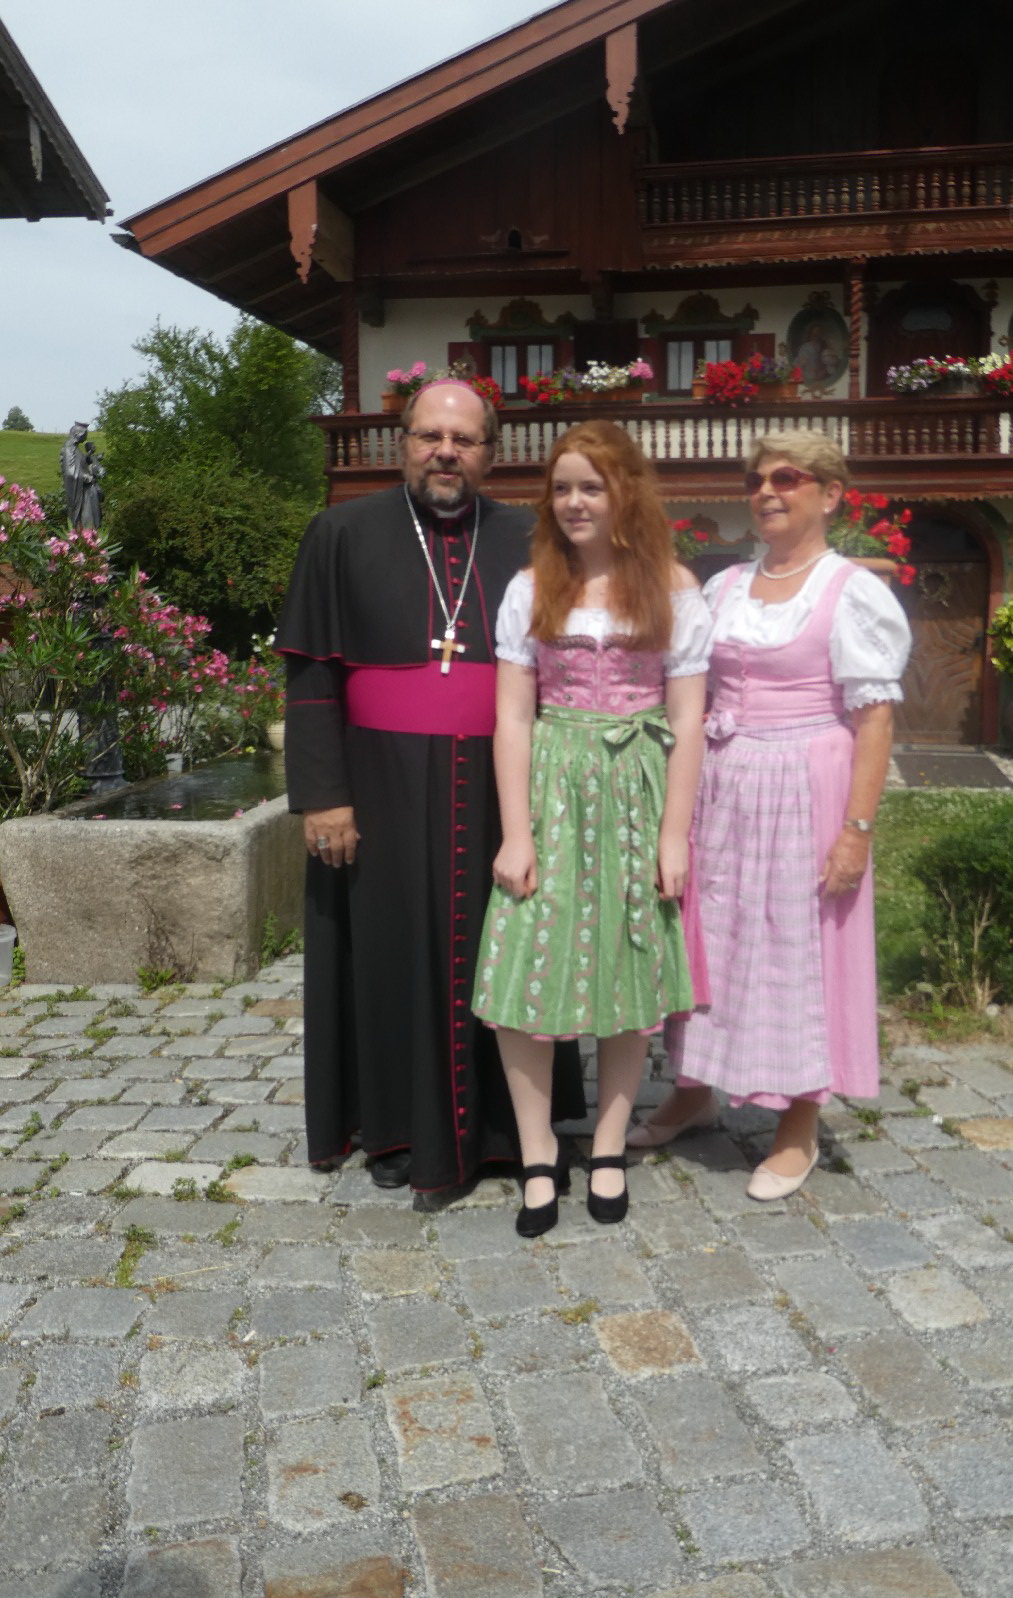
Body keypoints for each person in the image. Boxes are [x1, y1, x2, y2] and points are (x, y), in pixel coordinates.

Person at [274, 379, 583, 1203]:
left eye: (465, 440)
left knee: (507, 948)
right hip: (377, 785)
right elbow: (310, 674)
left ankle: (508, 1132)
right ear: (402, 441)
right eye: (430, 436)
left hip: (503, 785)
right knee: (387, 954)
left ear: (491, 453)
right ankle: (395, 1127)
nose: (446, 452)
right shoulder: (340, 532)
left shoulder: (529, 537)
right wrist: (323, 795)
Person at [629, 430, 912, 1200]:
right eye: (756, 480)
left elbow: (875, 719)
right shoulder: (725, 587)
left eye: (787, 478)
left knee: (797, 944)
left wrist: (856, 831)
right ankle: (694, 1090)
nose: (766, 492)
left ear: (831, 494)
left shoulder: (851, 590)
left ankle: (799, 1121)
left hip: (806, 784)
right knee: (710, 938)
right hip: (723, 783)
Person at [472, 421, 711, 1235]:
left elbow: (688, 716)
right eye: (563, 487)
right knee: (523, 967)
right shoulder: (531, 586)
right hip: (552, 785)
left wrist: (674, 835)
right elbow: (512, 717)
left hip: (637, 787)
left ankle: (608, 1147)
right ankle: (538, 1152)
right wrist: (516, 833)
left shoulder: (673, 587)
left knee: (628, 965)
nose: (575, 502)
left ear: (626, 493)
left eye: (592, 486)